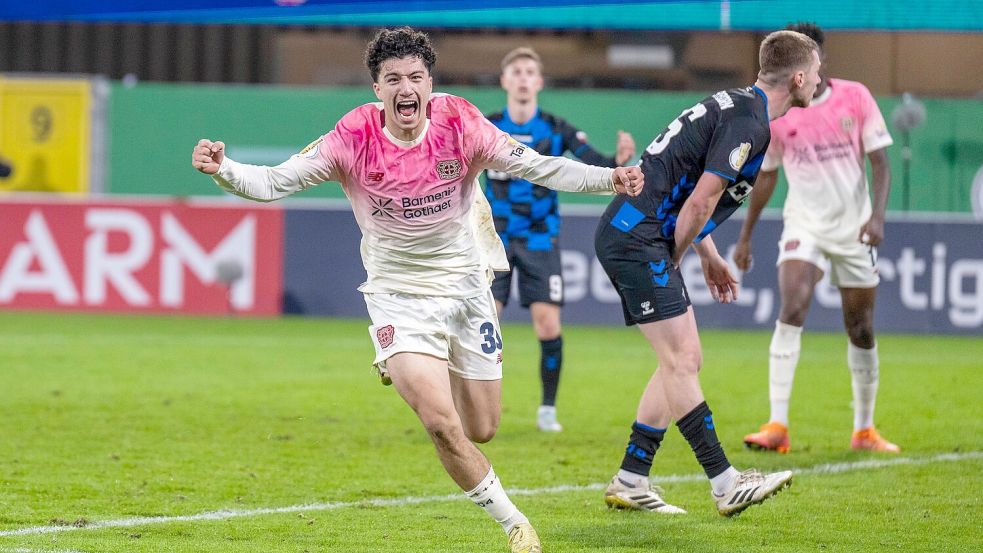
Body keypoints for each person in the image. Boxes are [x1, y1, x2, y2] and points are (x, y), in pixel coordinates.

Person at [191, 27, 643, 553]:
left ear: (430, 83)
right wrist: (223, 169)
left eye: (415, 77)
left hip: (466, 287)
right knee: (441, 423)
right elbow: (273, 182)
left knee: (482, 426)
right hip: (397, 296)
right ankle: (515, 523)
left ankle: (417, 361)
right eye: (393, 80)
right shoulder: (351, 137)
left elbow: (539, 167)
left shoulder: (462, 123)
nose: (406, 88)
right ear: (377, 89)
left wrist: (608, 178)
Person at [593, 29, 821, 517]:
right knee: (682, 358)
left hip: (638, 230)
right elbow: (699, 201)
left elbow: (689, 187)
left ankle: (632, 477)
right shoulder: (752, 122)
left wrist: (706, 252)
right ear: (799, 77)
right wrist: (673, 258)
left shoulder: (740, 106)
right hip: (638, 235)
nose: (819, 79)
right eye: (817, 71)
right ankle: (724, 483)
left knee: (681, 358)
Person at [736, 23, 899, 455]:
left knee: (860, 327)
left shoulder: (856, 98)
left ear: (818, 61)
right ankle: (777, 424)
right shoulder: (780, 113)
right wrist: (747, 235)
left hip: (854, 228)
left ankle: (864, 430)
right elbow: (767, 176)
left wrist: (878, 217)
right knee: (792, 306)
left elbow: (880, 163)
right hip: (803, 224)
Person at [485, 47, 636, 432]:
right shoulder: (487, 128)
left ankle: (547, 409)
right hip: (493, 241)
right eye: (515, 71)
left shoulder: (555, 128)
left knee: (548, 325)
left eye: (529, 72)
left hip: (539, 239)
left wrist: (617, 160)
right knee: (484, 325)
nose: (522, 77)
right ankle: (477, 406)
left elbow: (594, 162)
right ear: (505, 81)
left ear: (538, 82)